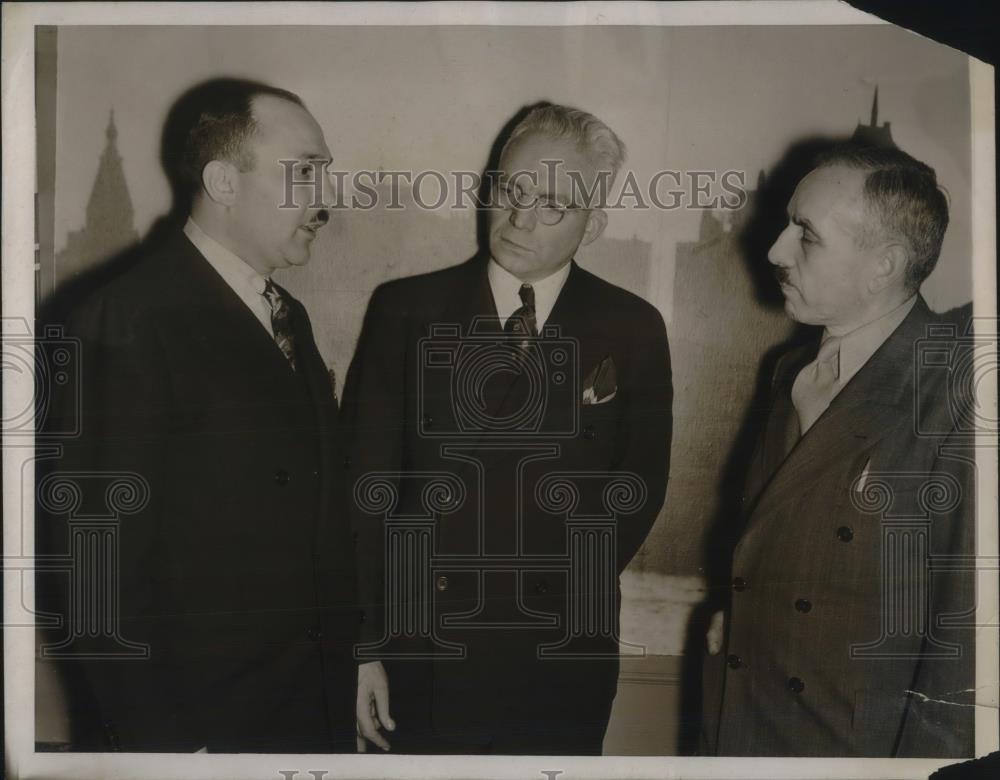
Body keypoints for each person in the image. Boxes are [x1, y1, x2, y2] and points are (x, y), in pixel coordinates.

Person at [38, 78, 357, 752]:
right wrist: (168, 752)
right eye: (303, 173)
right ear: (224, 182)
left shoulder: (286, 314)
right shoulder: (123, 319)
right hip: (196, 738)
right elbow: (97, 576)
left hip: (305, 716)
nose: (323, 199)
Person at [344, 103, 673, 755]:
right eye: (512, 190)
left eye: (553, 204)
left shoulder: (632, 327)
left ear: (595, 222)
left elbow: (639, 488)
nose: (521, 219)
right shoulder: (407, 310)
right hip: (424, 654)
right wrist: (363, 649)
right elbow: (364, 490)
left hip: (559, 658)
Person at [702, 145, 975, 757]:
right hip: (741, 724)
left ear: (883, 265)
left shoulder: (956, 387)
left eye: (806, 235)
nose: (775, 251)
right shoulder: (788, 372)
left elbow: (968, 637)